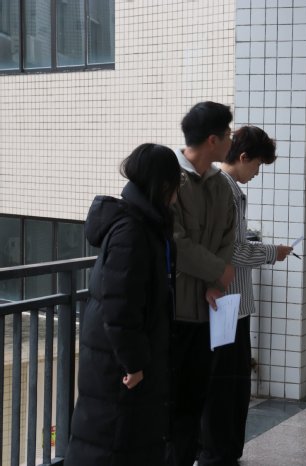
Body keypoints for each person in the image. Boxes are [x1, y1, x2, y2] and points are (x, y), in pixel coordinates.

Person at [65, 144, 181, 466]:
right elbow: (120, 307)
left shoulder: (146, 223)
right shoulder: (132, 230)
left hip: (123, 357)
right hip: (118, 364)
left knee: (126, 440)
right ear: (163, 184)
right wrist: (133, 363)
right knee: (113, 442)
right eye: (177, 183)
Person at [167, 101, 238, 466]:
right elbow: (175, 243)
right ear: (213, 139)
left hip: (207, 312)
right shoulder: (170, 179)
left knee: (195, 399)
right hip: (174, 312)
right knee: (169, 402)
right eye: (228, 134)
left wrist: (217, 282)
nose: (231, 141)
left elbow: (229, 236)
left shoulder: (221, 185)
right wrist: (217, 272)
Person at [218, 126, 293, 462]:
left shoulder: (224, 187)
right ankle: (221, 450)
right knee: (229, 382)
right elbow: (232, 251)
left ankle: (223, 448)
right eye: (258, 165)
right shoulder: (226, 190)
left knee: (230, 380)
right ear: (243, 156)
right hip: (226, 303)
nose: (258, 173)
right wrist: (271, 252)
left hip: (228, 302)